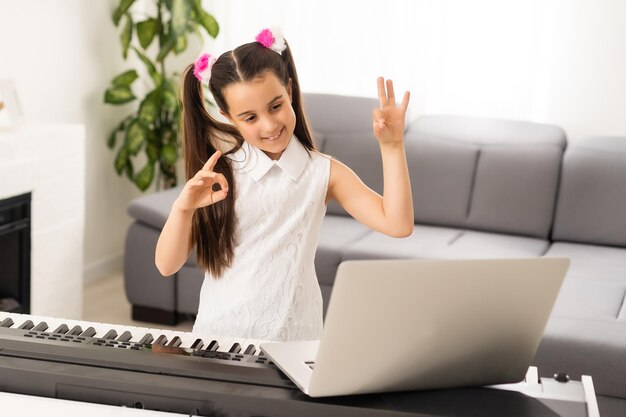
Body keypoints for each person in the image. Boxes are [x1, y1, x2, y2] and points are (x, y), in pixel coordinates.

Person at [155, 28, 413, 342]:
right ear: (228, 117)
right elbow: (167, 265)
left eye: (275, 106)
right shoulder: (220, 174)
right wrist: (182, 208)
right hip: (218, 339)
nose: (269, 125)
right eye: (250, 118)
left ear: (289, 90)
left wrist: (392, 146)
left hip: (296, 343)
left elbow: (397, 224)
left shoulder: (324, 172)